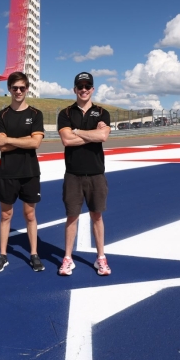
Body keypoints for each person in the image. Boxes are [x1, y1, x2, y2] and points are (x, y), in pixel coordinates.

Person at [56, 72, 112, 276]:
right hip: (73, 174)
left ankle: (101, 258)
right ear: (74, 89)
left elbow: (103, 136)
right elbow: (66, 141)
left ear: (93, 89)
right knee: (72, 217)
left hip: (96, 173)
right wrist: (91, 135)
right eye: (80, 86)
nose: (84, 89)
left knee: (97, 216)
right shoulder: (66, 113)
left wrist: (77, 131)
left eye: (88, 86)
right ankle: (68, 258)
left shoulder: (102, 112)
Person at [0, 72, 46, 272]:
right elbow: (1, 147)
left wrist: (10, 140)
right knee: (6, 215)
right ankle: (3, 255)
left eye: (22, 88)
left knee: (30, 214)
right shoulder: (1, 116)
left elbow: (36, 143)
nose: (18, 91)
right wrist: (24, 141)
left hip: (30, 171)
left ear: (27, 88)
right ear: (9, 89)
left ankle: (34, 254)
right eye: (15, 88)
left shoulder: (35, 114)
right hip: (7, 172)